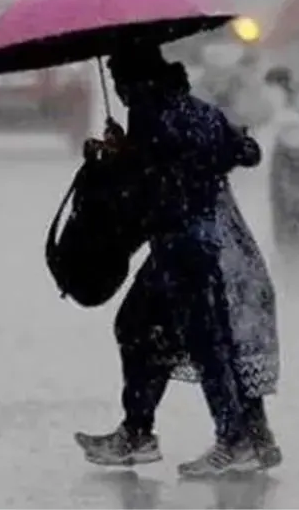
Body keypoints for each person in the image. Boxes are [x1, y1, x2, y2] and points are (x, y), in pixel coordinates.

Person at [74, 45, 281, 478]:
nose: (119, 92)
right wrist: (212, 150)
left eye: (120, 82)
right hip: (213, 242)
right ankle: (150, 431)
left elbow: (143, 189)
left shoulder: (155, 119)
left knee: (204, 342)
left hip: (182, 247)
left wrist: (110, 161)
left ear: (139, 81)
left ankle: (233, 438)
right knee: (151, 329)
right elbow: (247, 152)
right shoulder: (197, 112)